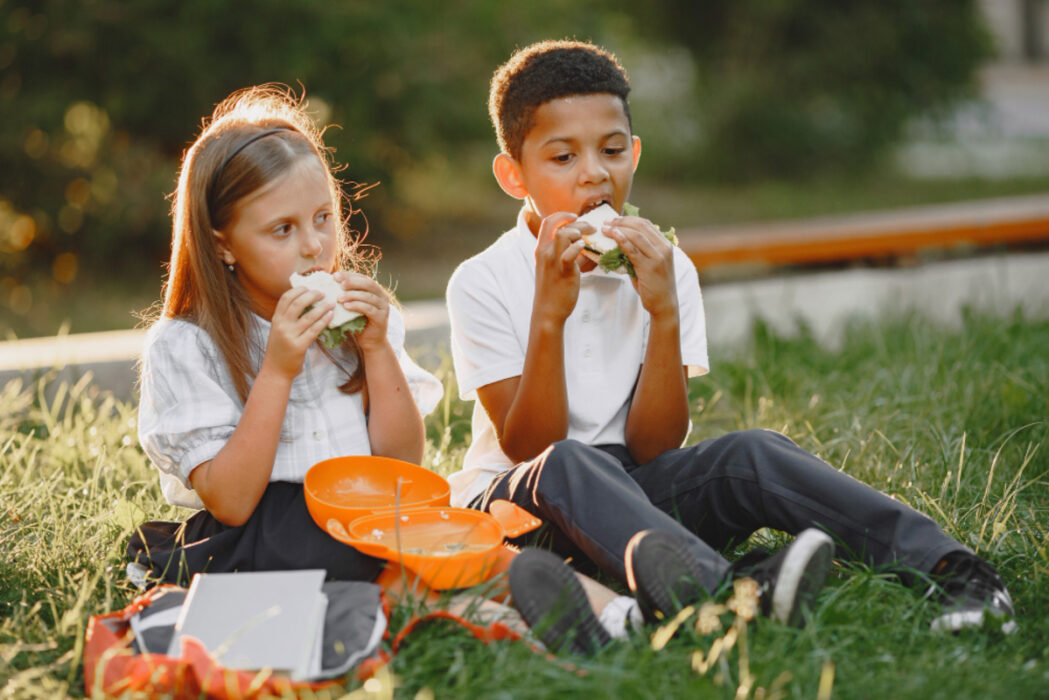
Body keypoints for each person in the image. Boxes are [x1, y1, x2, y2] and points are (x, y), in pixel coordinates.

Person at [445, 39, 1016, 643]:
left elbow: (654, 444)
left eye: (611, 150)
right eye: (562, 157)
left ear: (633, 154)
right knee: (568, 462)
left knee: (753, 452)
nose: (594, 171)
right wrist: (550, 316)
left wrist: (662, 312)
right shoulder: (483, 280)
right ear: (514, 176)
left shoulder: (668, 268)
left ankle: (958, 571)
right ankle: (734, 594)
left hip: (634, 496)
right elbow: (532, 443)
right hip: (521, 509)